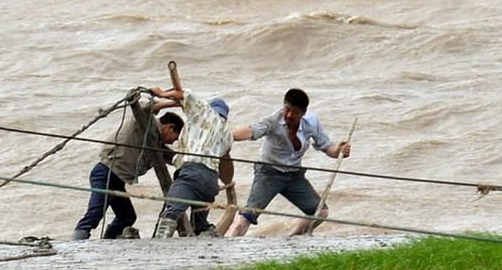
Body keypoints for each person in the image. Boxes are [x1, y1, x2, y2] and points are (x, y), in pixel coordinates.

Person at [227, 88, 351, 236]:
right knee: (247, 216)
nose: (289, 115)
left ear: (303, 113)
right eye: (287, 110)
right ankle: (230, 242)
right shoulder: (273, 120)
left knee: (320, 212)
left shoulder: (311, 122)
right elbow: (250, 131)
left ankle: (293, 239)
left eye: (295, 112)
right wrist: (226, 136)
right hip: (268, 173)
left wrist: (339, 151)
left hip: (294, 176)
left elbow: (328, 148)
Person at [71, 90, 183, 240]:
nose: (173, 142)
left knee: (127, 216)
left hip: (118, 179)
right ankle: (77, 241)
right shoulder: (145, 122)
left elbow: (174, 158)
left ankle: (107, 241)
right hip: (106, 172)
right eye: (175, 138)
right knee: (95, 213)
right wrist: (173, 102)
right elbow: (144, 107)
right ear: (169, 127)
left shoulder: (156, 144)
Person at [148, 85, 232, 239]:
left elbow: (183, 94)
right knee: (200, 223)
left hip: (192, 173)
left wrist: (161, 93)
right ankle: (203, 244)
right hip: (211, 182)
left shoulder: (204, 112)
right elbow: (226, 166)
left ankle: (159, 244)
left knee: (172, 212)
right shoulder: (228, 134)